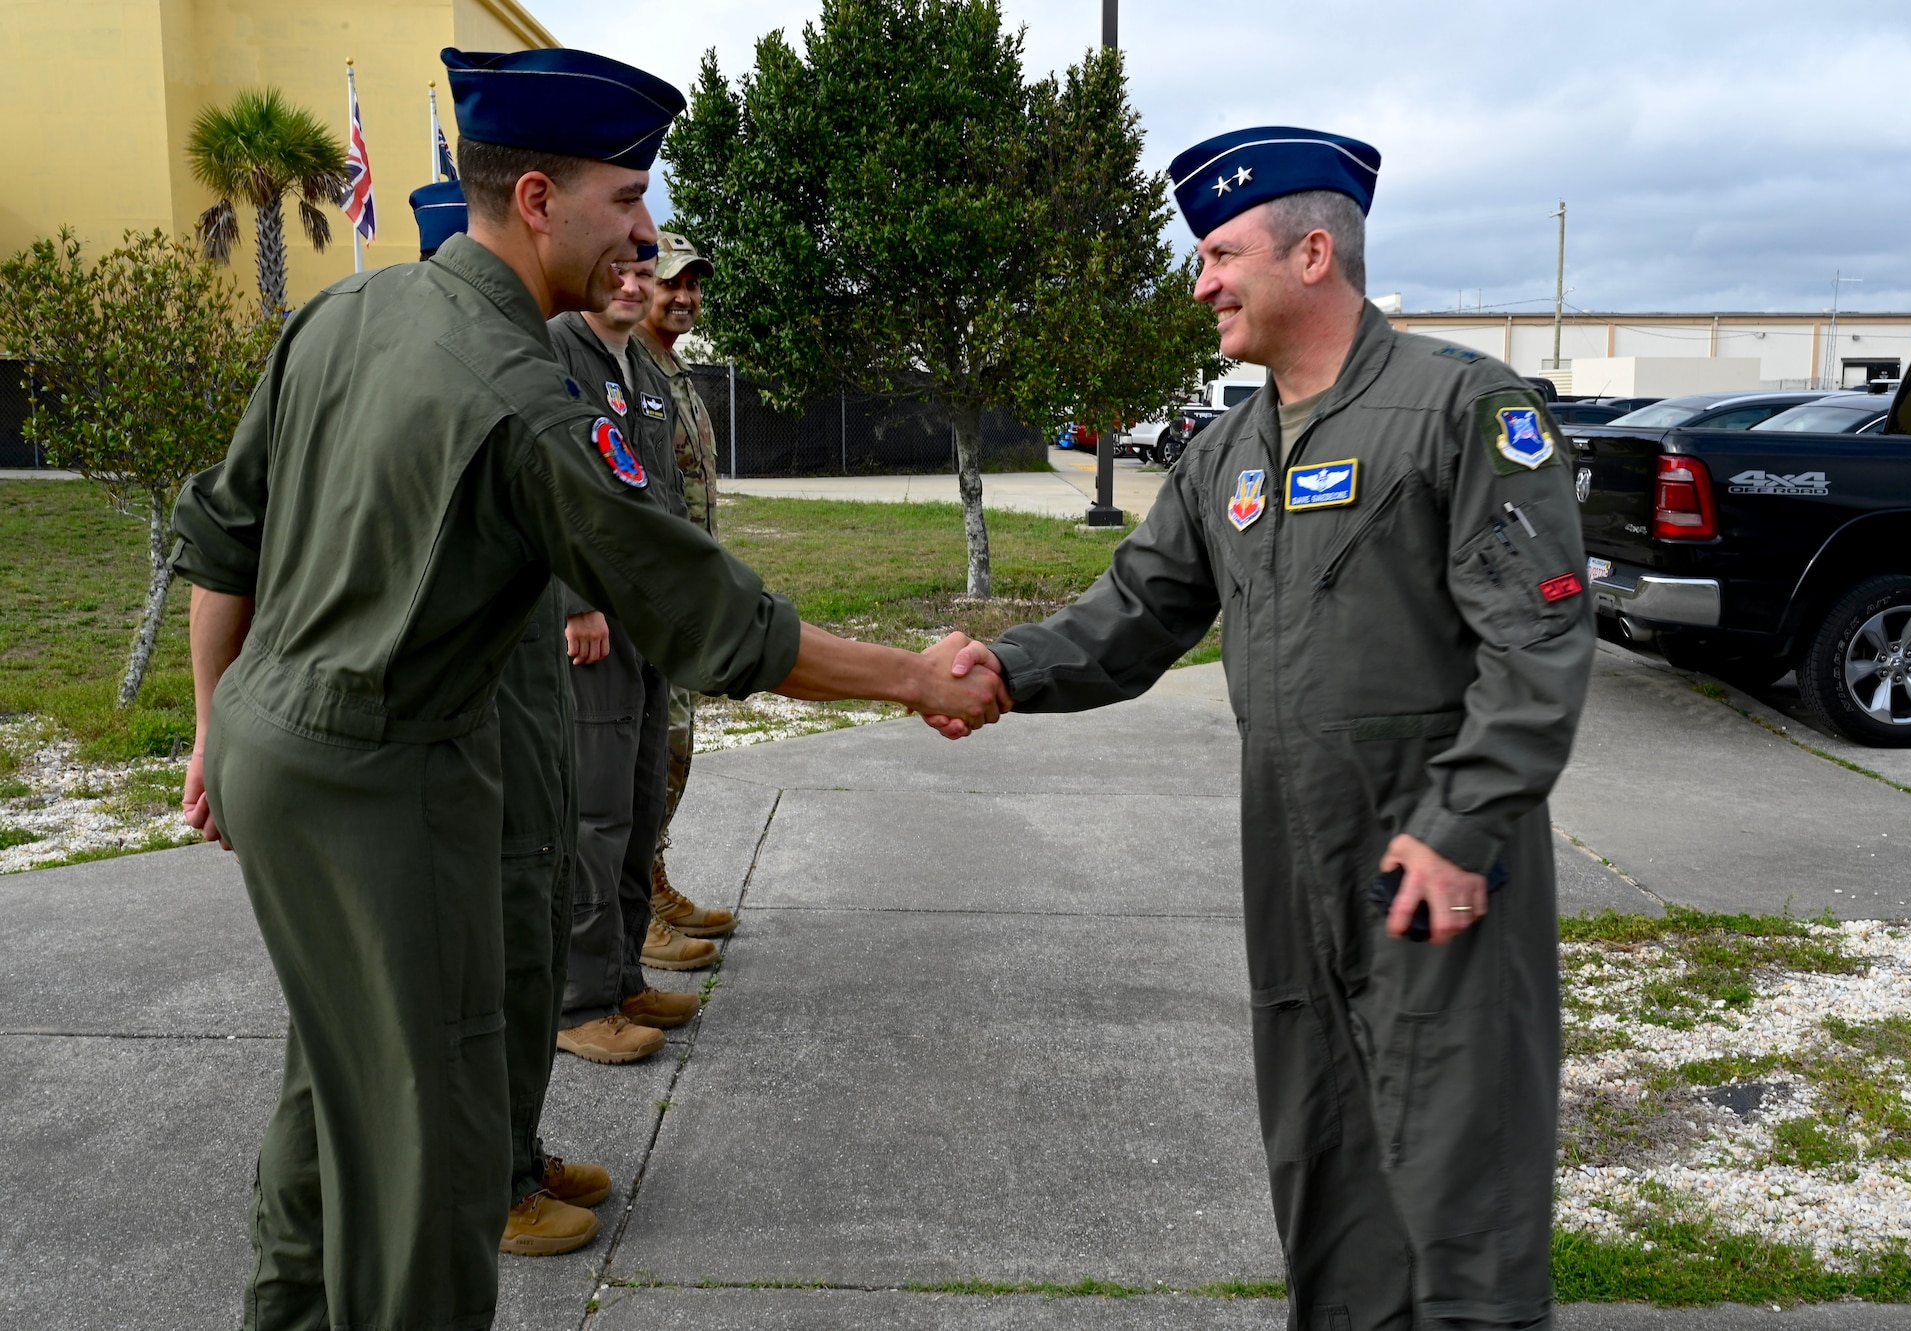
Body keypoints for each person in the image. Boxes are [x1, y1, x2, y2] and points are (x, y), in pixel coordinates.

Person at [176, 46, 1007, 1331]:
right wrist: (911, 675)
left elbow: (222, 535)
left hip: (273, 750)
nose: (643, 232)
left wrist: (211, 724)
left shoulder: (345, 315)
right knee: (431, 1143)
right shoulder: (521, 397)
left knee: (330, 1083)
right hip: (386, 780)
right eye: (626, 201)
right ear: (536, 203)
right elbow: (705, 613)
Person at [946, 127, 1594, 1331]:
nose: (1198, 283)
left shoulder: (1460, 407)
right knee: (1326, 1162)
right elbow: (1131, 614)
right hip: (1289, 857)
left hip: (1430, 859)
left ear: (1310, 252)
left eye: (1217, 253)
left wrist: (1461, 823)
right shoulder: (1227, 451)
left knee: (1462, 1181)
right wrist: (997, 666)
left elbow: (1538, 642)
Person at [411, 177, 615, 1254]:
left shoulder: (523, 365)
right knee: (484, 965)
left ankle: (515, 1147)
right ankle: (485, 1183)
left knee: (531, 938)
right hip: (467, 728)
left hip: (529, 698)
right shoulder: (459, 379)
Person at [545, 253, 711, 1065]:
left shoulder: (637, 367)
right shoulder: (555, 350)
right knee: (597, 816)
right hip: (595, 626)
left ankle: (623, 976)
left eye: (646, 272)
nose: (636, 285)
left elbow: (664, 501)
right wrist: (576, 598)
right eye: (620, 267)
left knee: (642, 805)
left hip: (647, 623)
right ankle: (580, 1002)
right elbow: (540, 483)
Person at [628, 232, 738, 958]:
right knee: (651, 750)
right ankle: (634, 912)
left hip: (684, 594)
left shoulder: (676, 374)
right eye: (673, 284)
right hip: (646, 597)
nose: (686, 298)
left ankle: (653, 876)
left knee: (677, 743)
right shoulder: (629, 374)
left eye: (694, 286)